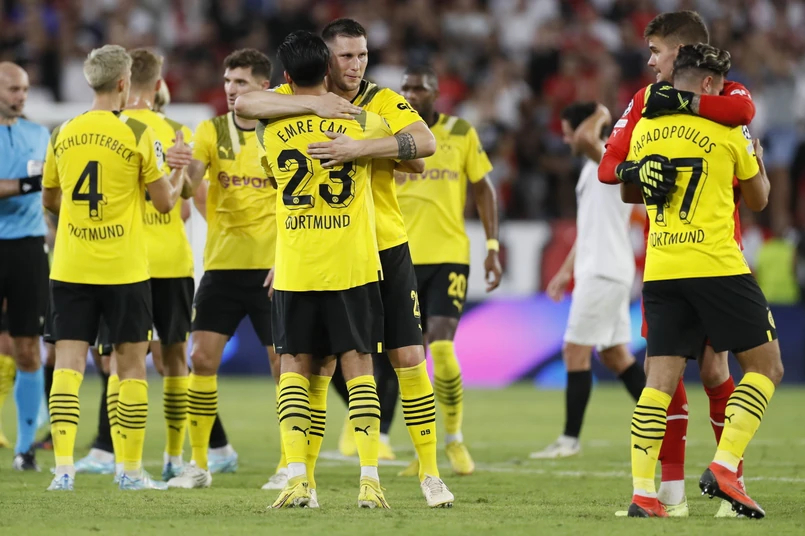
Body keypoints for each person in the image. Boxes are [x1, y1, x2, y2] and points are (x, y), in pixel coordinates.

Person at [235, 19, 456, 506]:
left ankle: (430, 474)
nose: (356, 66)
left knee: (407, 358)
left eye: (363, 55)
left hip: (384, 245)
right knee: (320, 364)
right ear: (325, 59)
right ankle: (308, 480)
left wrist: (361, 149)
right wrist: (314, 104)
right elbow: (246, 103)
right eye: (346, 56)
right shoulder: (297, 97)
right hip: (332, 248)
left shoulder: (379, 102)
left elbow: (423, 147)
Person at [598, 10, 756, 518]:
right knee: (660, 370)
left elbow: (744, 110)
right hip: (665, 253)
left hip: (715, 250)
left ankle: (730, 485)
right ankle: (670, 492)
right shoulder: (644, 100)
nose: (649, 62)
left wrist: (684, 101)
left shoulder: (724, 89)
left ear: (682, 51)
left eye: (656, 51)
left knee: (713, 369)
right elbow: (609, 167)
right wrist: (636, 168)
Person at [623, 43, 780, 519]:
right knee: (766, 366)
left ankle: (644, 494)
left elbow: (629, 186)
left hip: (662, 268)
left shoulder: (646, 127)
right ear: (709, 84)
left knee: (658, 382)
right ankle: (726, 466)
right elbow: (759, 199)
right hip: (716, 264)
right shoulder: (728, 127)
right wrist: (756, 156)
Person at [42, 44, 189, 491]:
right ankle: (129, 471)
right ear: (124, 83)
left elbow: (50, 198)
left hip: (71, 266)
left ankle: (63, 470)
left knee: (68, 365)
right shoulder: (137, 132)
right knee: (130, 369)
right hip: (124, 269)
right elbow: (165, 204)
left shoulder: (63, 132)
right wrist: (177, 172)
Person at [73, 48, 213, 483]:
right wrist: (177, 172)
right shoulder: (175, 131)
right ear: (158, 84)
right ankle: (173, 457)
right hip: (170, 262)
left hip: (120, 262)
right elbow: (183, 202)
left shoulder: (101, 128)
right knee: (174, 360)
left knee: (119, 362)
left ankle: (118, 458)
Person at [166, 48, 279, 490]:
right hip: (222, 267)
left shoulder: (280, 134)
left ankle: (290, 465)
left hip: (272, 270)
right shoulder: (210, 131)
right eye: (228, 81)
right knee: (200, 359)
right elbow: (191, 186)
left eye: (241, 83)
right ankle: (198, 465)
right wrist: (180, 169)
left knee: (284, 367)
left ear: (264, 87)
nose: (231, 90)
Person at [395, 65, 502, 474]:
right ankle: (423, 449)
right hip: (401, 256)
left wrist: (492, 246)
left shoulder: (460, 131)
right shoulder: (392, 132)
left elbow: (483, 188)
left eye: (419, 88)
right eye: (405, 88)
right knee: (410, 356)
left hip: (448, 254)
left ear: (435, 91)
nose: (411, 94)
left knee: (440, 345)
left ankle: (455, 439)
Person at [529, 101, 645, 459]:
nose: (567, 140)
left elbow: (583, 138)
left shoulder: (609, 159)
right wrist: (566, 270)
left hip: (605, 270)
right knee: (614, 355)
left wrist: (600, 112)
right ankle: (667, 421)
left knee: (574, 350)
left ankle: (569, 440)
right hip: (601, 268)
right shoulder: (589, 169)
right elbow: (589, 227)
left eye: (567, 132)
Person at [0, 62, 50, 471]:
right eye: (14, 89)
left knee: (28, 348)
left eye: (26, 89)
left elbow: (53, 191)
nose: (22, 96)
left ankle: (24, 448)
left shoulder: (39, 134)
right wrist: (31, 184)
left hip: (28, 249)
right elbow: (38, 184)